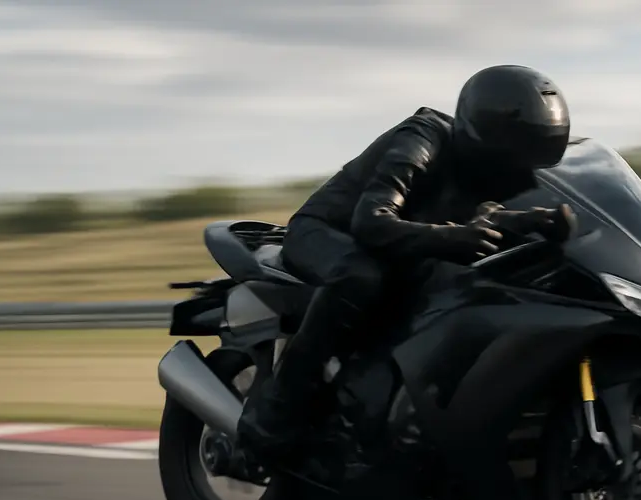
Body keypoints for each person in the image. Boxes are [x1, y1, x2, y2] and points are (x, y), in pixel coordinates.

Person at [236, 64, 574, 471]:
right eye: (520, 158)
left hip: (394, 248)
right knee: (361, 276)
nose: (524, 174)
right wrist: (452, 238)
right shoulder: (422, 139)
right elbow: (371, 221)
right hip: (323, 232)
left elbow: (480, 219)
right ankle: (274, 414)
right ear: (490, 137)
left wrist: (540, 220)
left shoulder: (487, 169)